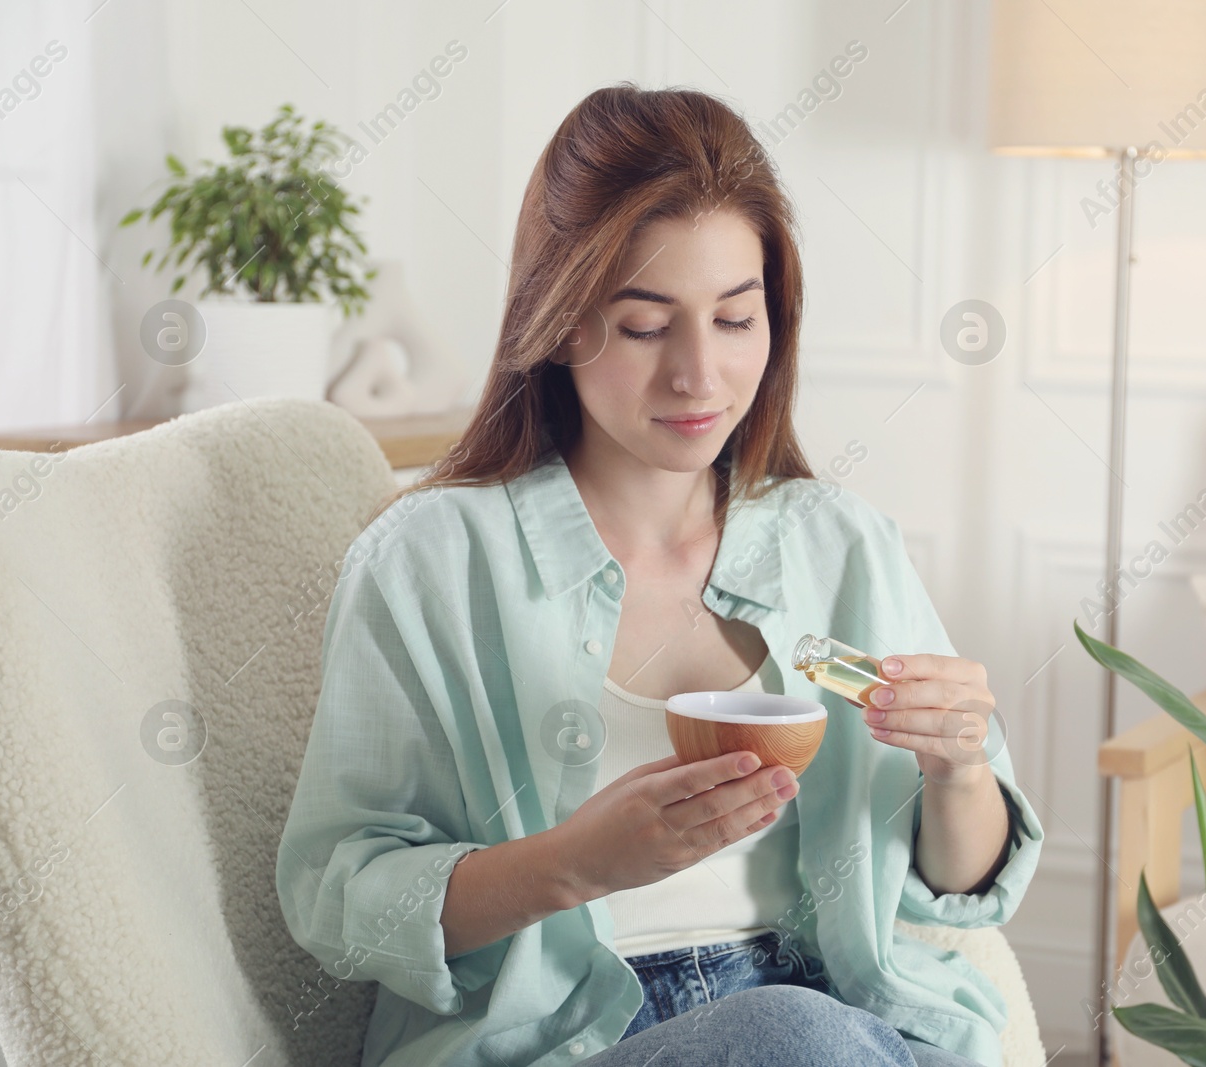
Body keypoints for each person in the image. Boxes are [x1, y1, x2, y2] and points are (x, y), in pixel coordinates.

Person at [275, 82, 1044, 1067]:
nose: (699, 375)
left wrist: (959, 764)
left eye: (735, 318)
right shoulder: (429, 561)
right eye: (644, 325)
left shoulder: (837, 547)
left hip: (841, 1018)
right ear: (557, 322)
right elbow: (341, 900)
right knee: (790, 1034)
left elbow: (963, 880)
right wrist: (570, 863)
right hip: (561, 1038)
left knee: (805, 1030)